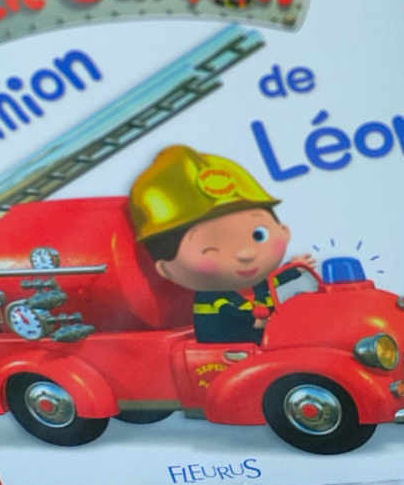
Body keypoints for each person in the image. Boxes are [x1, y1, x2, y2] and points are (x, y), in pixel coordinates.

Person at [130, 144, 318, 342]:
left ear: (283, 231)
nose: (245, 253)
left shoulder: (259, 285)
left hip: (262, 344)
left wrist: (295, 267)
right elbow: (231, 314)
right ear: (167, 269)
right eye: (211, 248)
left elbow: (275, 280)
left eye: (258, 235)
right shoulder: (211, 295)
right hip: (232, 348)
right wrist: (260, 321)